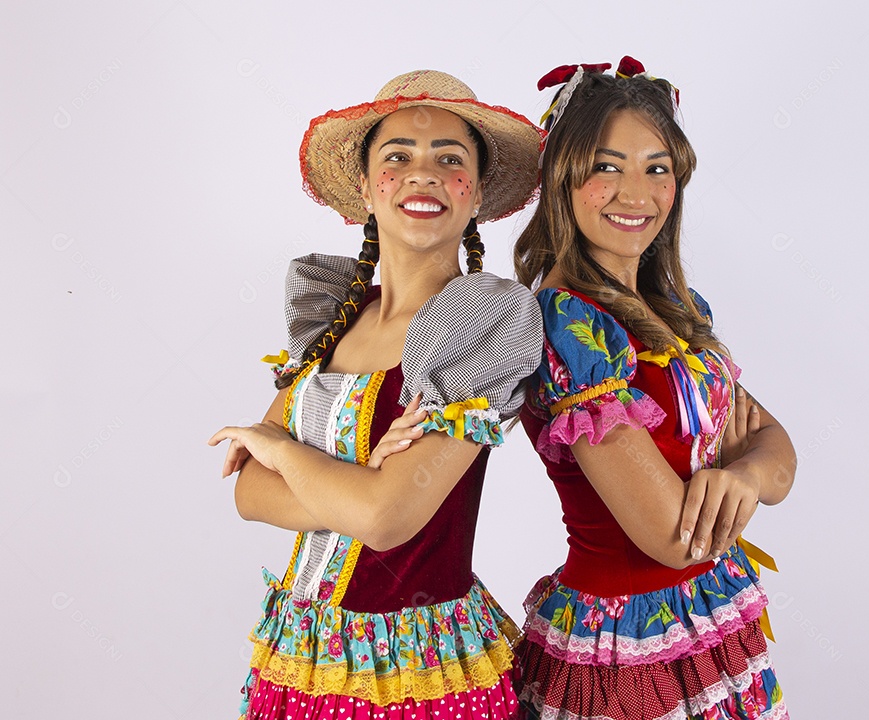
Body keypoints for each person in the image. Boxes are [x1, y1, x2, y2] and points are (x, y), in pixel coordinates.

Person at [209, 69, 545, 720]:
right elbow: (249, 494)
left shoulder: (484, 324)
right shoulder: (334, 315)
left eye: (450, 159)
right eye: (397, 156)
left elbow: (388, 520)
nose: (423, 174)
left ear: (476, 191)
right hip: (300, 654)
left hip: (417, 669)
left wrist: (282, 449)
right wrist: (360, 487)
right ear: (365, 186)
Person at [510, 58, 797, 720]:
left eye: (656, 168)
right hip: (624, 646)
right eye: (606, 167)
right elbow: (673, 537)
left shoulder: (675, 308)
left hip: (711, 616)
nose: (635, 193)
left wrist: (745, 474)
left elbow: (779, 458)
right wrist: (737, 468)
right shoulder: (567, 323)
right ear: (563, 178)